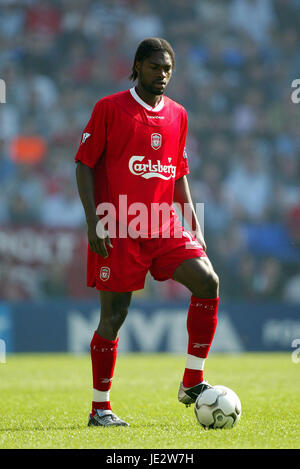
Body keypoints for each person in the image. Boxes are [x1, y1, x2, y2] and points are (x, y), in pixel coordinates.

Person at [75, 38, 219, 427]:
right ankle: (100, 408)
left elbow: (178, 174)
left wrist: (193, 222)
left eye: (168, 69)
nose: (163, 75)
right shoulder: (110, 109)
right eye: (156, 67)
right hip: (119, 224)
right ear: (137, 66)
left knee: (208, 281)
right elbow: (84, 165)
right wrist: (94, 220)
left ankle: (192, 380)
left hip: (163, 224)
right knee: (115, 316)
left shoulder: (178, 115)